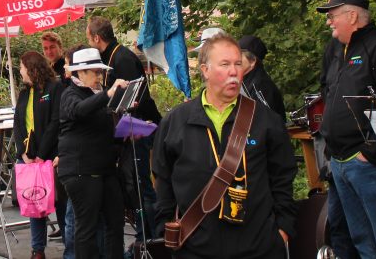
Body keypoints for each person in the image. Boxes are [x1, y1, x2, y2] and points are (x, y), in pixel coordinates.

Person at [153, 34, 297, 259]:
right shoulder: (176, 122)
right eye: (225, 64)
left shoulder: (265, 120)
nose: (234, 71)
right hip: (195, 248)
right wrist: (166, 226)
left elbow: (283, 177)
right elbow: (163, 181)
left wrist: (282, 231)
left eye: (238, 64)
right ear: (205, 70)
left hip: (258, 247)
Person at [317, 0, 376, 259]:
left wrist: (369, 152)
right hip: (340, 161)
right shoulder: (334, 49)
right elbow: (325, 91)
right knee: (361, 241)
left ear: (353, 17)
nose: (328, 20)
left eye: (333, 15)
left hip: (369, 163)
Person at [86, 15, 160, 241]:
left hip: (138, 129)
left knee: (140, 186)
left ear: (97, 38)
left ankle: (150, 238)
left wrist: (130, 131)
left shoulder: (123, 59)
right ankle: (144, 235)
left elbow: (134, 100)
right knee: (132, 186)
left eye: (89, 38)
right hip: (127, 130)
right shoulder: (112, 57)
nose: (89, 43)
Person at [59, 46, 127, 259]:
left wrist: (126, 132)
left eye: (100, 71)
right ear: (80, 72)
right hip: (81, 171)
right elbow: (79, 110)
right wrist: (108, 94)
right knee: (87, 227)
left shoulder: (97, 94)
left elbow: (102, 129)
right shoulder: (69, 93)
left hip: (104, 168)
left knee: (115, 222)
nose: (99, 76)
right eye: (95, 72)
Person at [13, 51, 63, 259]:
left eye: (22, 67)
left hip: (50, 156)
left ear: (32, 68)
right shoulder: (24, 93)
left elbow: (55, 121)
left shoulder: (54, 88)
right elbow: (18, 124)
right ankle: (37, 250)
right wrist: (23, 153)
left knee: (60, 202)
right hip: (29, 158)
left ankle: (69, 248)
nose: (20, 71)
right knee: (35, 202)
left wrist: (42, 154)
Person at [238, 35, 286, 119]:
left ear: (252, 61)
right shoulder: (244, 80)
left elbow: (267, 121)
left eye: (239, 56)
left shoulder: (260, 84)